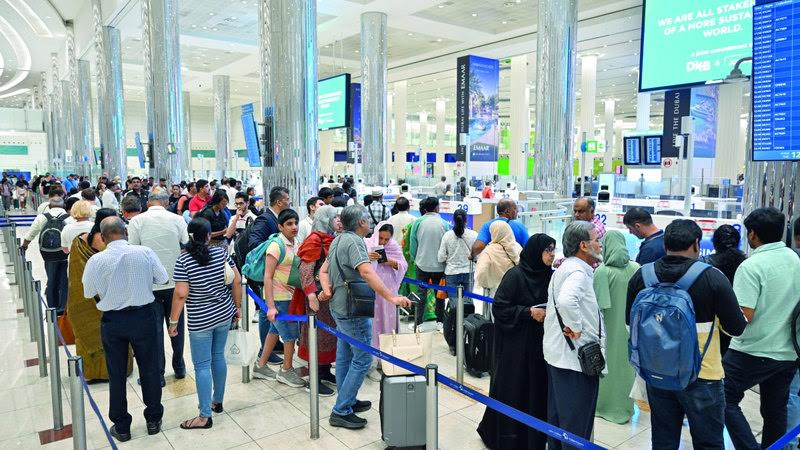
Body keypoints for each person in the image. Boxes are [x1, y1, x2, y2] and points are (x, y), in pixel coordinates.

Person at [626, 219, 747, 450]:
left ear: (665, 245)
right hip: (703, 373)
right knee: (708, 443)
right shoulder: (713, 277)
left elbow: (630, 326)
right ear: (697, 244)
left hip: (657, 372)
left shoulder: (642, 276)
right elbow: (736, 328)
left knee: (663, 441)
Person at [318, 205, 412, 429]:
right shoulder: (355, 242)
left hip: (339, 306)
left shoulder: (338, 239)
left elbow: (324, 270)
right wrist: (391, 297)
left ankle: (347, 400)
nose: (369, 222)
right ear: (361, 222)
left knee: (344, 355)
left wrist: (327, 290)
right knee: (362, 359)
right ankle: (341, 410)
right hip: (353, 309)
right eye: (366, 219)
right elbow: (367, 272)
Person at [82, 217, 168, 442]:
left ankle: (121, 426)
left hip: (113, 321)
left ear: (102, 237)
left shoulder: (96, 260)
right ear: (126, 232)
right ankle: (153, 419)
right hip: (143, 316)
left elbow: (88, 292)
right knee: (149, 368)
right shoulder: (145, 252)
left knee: (116, 373)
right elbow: (163, 278)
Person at [723, 207, 800, 450]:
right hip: (788, 351)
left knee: (722, 397)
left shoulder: (751, 266)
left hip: (751, 350)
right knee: (775, 410)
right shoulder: (795, 260)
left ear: (753, 234)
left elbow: (744, 316)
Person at [477, 234, 555, 450]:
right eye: (547, 250)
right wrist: (528, 312)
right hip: (515, 347)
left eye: (553, 250)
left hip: (540, 346)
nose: (551, 255)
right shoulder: (515, 276)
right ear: (536, 252)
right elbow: (500, 308)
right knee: (513, 388)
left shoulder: (551, 277)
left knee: (536, 389)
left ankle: (534, 438)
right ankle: (508, 438)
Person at [168, 218, 241, 430]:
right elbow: (236, 280)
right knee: (218, 357)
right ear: (209, 235)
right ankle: (217, 401)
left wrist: (173, 322)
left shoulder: (183, 260)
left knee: (202, 365)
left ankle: (204, 416)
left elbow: (181, 294)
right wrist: (237, 307)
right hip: (224, 313)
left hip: (200, 319)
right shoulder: (221, 253)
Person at [542, 221, 604, 449]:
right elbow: (567, 300)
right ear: (583, 246)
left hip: (558, 355)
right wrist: (576, 327)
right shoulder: (578, 272)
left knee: (558, 419)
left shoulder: (565, 268)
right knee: (576, 425)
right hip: (575, 361)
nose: (600, 244)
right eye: (596, 240)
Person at [128, 190, 190, 382]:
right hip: (175, 280)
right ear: (166, 202)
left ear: (148, 203)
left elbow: (132, 249)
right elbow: (187, 243)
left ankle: (158, 374)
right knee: (176, 324)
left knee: (154, 330)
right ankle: (179, 367)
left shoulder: (136, 221)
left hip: (149, 283)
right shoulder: (177, 219)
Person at [67, 208, 132, 382]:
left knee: (88, 333)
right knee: (113, 335)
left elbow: (75, 271)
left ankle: (92, 372)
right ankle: (114, 370)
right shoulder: (109, 242)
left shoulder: (80, 240)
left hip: (84, 297)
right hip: (107, 295)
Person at [251, 209, 308, 388]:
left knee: (274, 331)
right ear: (280, 227)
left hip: (291, 296)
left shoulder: (295, 243)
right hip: (279, 298)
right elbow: (267, 277)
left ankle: (260, 366)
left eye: (295, 223)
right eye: (289, 224)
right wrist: (270, 306)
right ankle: (286, 370)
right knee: (290, 336)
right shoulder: (276, 246)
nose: (294, 227)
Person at [295, 205, 343, 397]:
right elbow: (305, 270)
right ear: (325, 220)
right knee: (316, 336)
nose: (337, 221)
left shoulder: (331, 238)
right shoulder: (314, 240)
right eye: (334, 218)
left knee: (328, 336)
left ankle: (324, 371)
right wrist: (311, 295)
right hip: (317, 297)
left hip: (329, 296)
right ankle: (313, 379)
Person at [592, 230, 638, 424]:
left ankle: (603, 407)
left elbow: (599, 305)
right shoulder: (636, 268)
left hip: (608, 329)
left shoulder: (602, 271)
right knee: (627, 367)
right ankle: (624, 408)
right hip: (631, 329)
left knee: (607, 365)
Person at [365, 222, 408, 376]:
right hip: (372, 289)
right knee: (373, 323)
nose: (383, 242)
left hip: (389, 290)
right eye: (381, 238)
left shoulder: (394, 246)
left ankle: (387, 359)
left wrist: (389, 261)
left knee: (388, 323)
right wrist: (368, 257)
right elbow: (359, 265)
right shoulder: (366, 243)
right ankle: (371, 360)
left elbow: (403, 265)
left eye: (386, 239)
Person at [700, 224, 746, 356]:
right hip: (737, 319)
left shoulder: (704, 263)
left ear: (714, 243)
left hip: (708, 320)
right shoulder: (746, 263)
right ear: (738, 242)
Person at [22, 196, 70, 313]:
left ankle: (52, 308)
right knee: (64, 280)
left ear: (49, 206)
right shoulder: (69, 218)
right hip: (64, 253)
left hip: (48, 253)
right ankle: (63, 308)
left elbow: (30, 234)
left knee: (52, 279)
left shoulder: (42, 217)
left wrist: (24, 246)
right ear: (63, 206)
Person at [409, 196, 450, 330]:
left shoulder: (418, 222)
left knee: (421, 294)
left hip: (422, 264)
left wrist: (416, 259)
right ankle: (440, 322)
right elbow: (447, 245)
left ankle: (418, 323)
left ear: (425, 208)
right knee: (440, 294)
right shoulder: (444, 223)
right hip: (440, 265)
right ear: (437, 207)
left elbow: (413, 243)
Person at [438, 209, 478, 311]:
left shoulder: (447, 235)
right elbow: (478, 256)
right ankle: (467, 320)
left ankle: (454, 320)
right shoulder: (474, 235)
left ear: (453, 221)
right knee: (468, 302)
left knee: (454, 304)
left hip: (451, 272)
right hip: (468, 272)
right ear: (466, 220)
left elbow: (441, 257)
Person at [475, 221, 521, 297]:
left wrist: (482, 283)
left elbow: (482, 269)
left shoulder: (489, 250)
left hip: (495, 290)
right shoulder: (517, 246)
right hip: (515, 287)